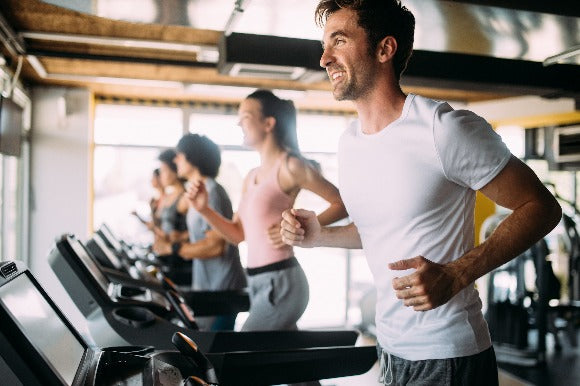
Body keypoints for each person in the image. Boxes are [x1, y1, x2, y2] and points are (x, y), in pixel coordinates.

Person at [279, 1, 562, 385]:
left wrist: (458, 273)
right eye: (325, 44)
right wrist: (320, 235)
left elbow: (541, 207)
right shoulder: (349, 143)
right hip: (391, 350)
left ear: (384, 49)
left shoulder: (443, 128)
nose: (325, 58)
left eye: (339, 41)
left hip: (448, 355)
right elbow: (380, 231)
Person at [187, 89, 348, 331]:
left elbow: (342, 203)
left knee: (246, 347)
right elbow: (237, 235)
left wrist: (303, 227)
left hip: (281, 281)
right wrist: (204, 210)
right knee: (277, 359)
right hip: (257, 282)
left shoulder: (290, 166)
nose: (238, 123)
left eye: (246, 117)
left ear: (268, 123)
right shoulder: (251, 177)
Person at [154, 134, 247, 331]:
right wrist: (181, 237)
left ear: (192, 158)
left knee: (215, 349)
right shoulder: (198, 190)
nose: (175, 160)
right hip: (208, 283)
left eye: (179, 155)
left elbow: (215, 246)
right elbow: (206, 231)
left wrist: (173, 248)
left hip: (222, 287)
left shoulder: (211, 192)